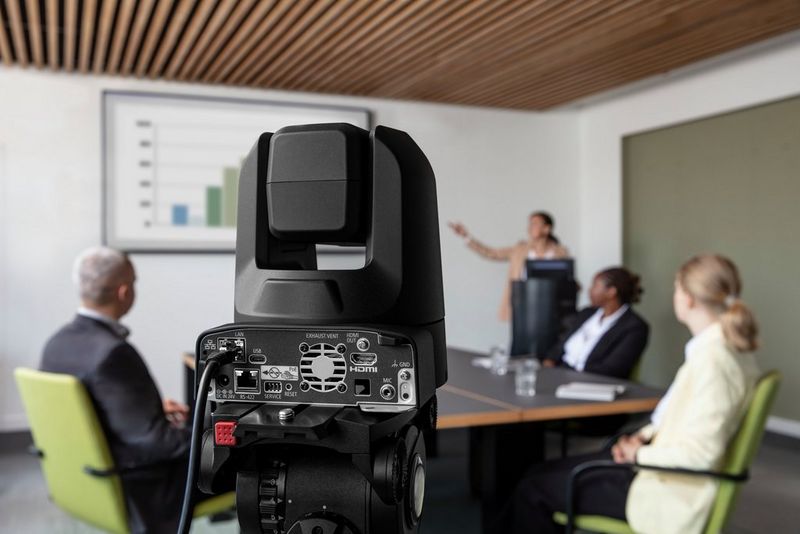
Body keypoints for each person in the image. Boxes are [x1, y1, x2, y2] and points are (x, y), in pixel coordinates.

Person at [488, 254, 761, 534]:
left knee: (533, 489)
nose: (675, 296)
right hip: (656, 470)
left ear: (689, 298)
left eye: (677, 289)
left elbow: (701, 455)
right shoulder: (718, 350)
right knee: (535, 473)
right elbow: (680, 419)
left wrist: (639, 453)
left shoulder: (714, 361)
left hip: (663, 489)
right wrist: (639, 439)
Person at [40, 247, 199, 534]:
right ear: (124, 292)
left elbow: (85, 411)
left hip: (84, 477)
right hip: (144, 487)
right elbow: (158, 444)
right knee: (245, 459)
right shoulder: (113, 353)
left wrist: (147, 409)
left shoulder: (57, 343)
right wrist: (208, 433)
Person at [449, 211, 570, 321]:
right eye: (530, 224)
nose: (529, 227)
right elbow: (492, 253)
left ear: (547, 228)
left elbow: (568, 279)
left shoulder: (560, 252)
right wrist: (466, 237)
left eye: (535, 224)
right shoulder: (519, 250)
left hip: (551, 306)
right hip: (523, 305)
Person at [543, 267, 649, 379]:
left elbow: (613, 369)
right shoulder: (586, 314)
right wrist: (549, 362)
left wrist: (571, 375)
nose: (589, 290)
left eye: (595, 285)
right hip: (559, 374)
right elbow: (560, 346)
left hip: (591, 382)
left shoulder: (635, 327)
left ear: (611, 292)